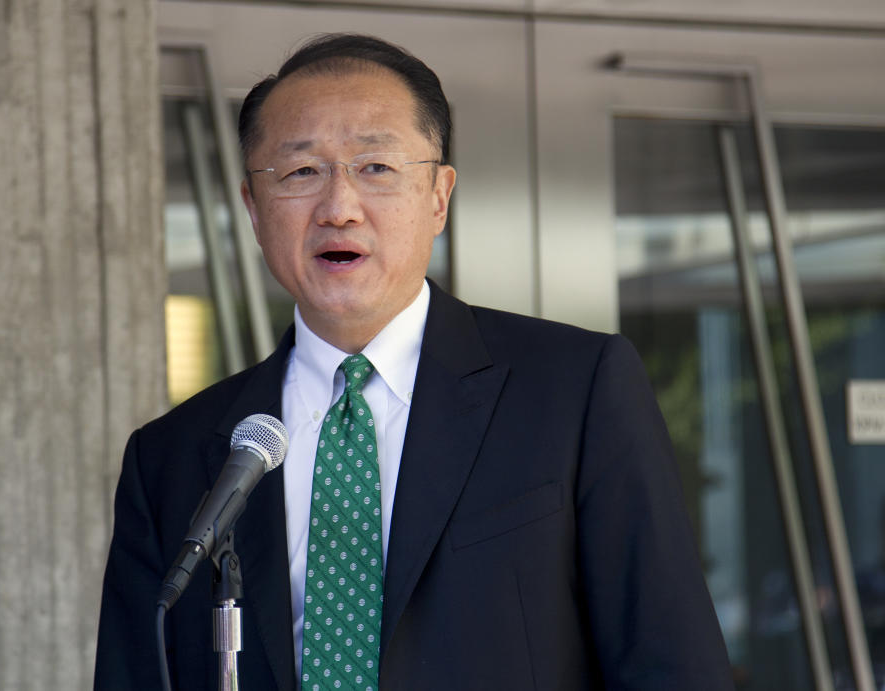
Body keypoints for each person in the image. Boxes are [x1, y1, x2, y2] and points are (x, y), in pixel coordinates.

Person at [95, 33, 733, 690]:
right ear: (254, 209)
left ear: (438, 195)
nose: (339, 207)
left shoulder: (576, 391)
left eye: (376, 167)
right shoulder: (170, 460)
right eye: (300, 171)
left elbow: (674, 667)